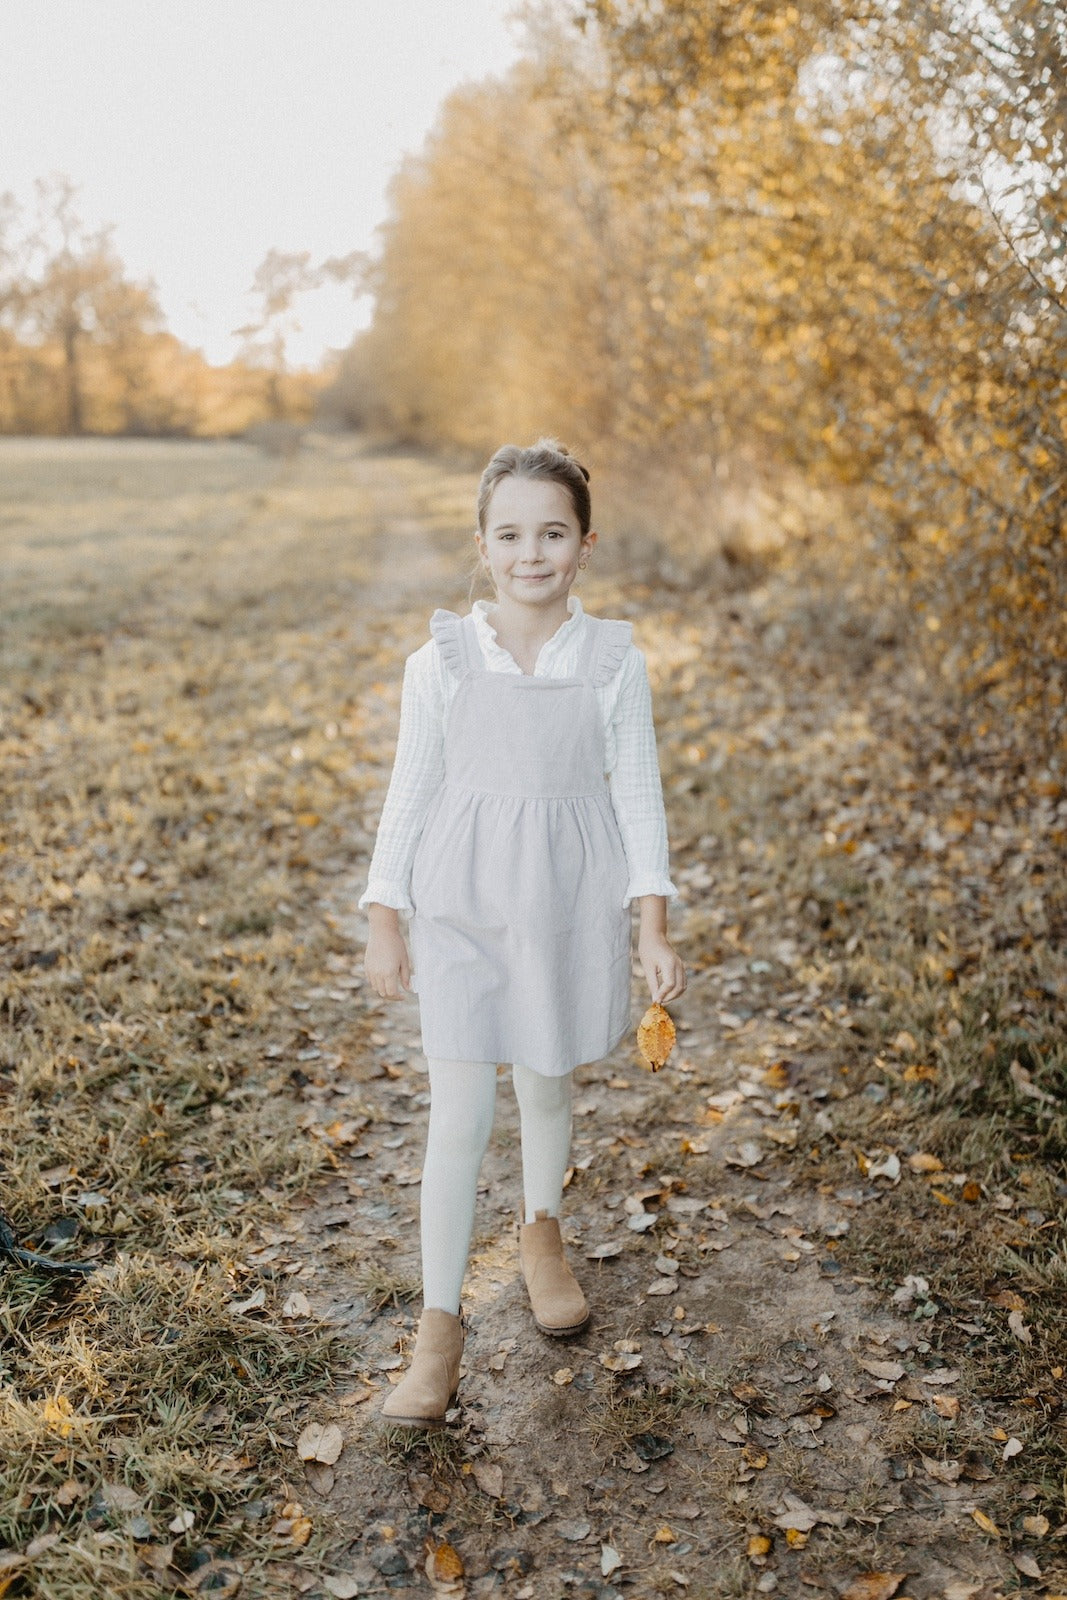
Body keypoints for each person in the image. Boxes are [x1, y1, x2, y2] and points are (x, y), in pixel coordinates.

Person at [359, 438, 685, 1428]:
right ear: (481, 543)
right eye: (509, 534)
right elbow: (410, 788)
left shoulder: (611, 662)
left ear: (583, 544)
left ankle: (541, 1230)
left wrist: (651, 919)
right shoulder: (442, 660)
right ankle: (438, 1330)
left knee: (544, 1082)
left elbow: (635, 790)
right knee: (458, 1115)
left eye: (550, 533)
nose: (529, 553)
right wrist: (384, 911)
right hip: (457, 899)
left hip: (563, 901)